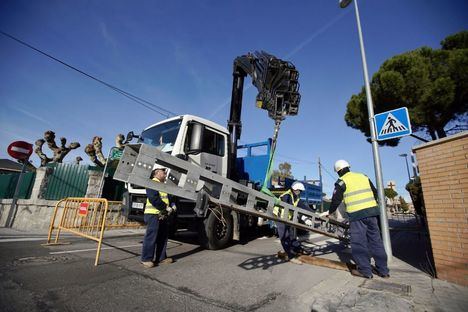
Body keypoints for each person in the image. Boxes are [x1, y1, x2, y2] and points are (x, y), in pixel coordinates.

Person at [324, 160, 389, 279]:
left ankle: (365, 271)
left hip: (357, 216)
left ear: (338, 171)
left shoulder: (341, 182)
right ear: (348, 167)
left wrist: (329, 212)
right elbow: (375, 192)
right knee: (376, 242)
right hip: (373, 213)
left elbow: (336, 200)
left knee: (359, 244)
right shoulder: (363, 176)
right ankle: (383, 270)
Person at [141, 165, 177, 268]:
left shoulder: (162, 185)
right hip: (153, 214)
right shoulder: (152, 183)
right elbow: (154, 199)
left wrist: (173, 205)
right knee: (151, 237)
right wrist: (166, 207)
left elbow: (169, 197)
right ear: (156, 172)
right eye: (163, 171)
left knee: (162, 237)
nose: (165, 173)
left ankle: (161, 258)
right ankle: (146, 259)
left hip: (162, 215)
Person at [273, 181, 314, 264]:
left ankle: (297, 249)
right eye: (299, 190)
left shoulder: (296, 198)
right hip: (279, 217)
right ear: (295, 189)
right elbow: (290, 208)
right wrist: (304, 218)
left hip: (287, 218)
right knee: (285, 236)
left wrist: (315, 215)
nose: (300, 192)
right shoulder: (286, 196)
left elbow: (304, 207)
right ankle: (291, 257)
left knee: (292, 234)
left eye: (300, 191)